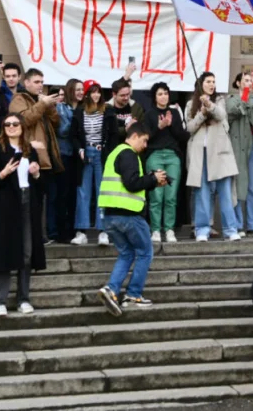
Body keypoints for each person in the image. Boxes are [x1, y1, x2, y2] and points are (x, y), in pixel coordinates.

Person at [96, 123, 168, 316]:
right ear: (134, 136)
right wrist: (152, 178)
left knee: (127, 253)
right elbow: (132, 183)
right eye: (144, 140)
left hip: (110, 216)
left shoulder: (115, 153)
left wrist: (152, 182)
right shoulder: (129, 154)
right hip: (128, 215)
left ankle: (111, 290)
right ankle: (133, 295)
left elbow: (127, 183)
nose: (145, 145)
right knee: (145, 252)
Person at [0, 113, 46, 315]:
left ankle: (23, 298)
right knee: (3, 250)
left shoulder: (29, 151)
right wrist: (3, 174)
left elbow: (40, 184)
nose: (11, 127)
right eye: (7, 124)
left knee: (27, 252)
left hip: (27, 200)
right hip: (5, 204)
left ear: (22, 127)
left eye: (15, 124)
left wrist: (36, 174)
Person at [10, 68, 63, 260]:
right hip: (30, 159)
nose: (41, 84)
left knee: (42, 201)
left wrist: (49, 107)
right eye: (37, 81)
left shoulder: (42, 101)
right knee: (31, 203)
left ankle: (42, 235)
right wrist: (42, 104)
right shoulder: (19, 99)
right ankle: (31, 239)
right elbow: (22, 121)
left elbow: (57, 123)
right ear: (27, 83)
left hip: (46, 160)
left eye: (42, 81)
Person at [186, 72, 239, 241]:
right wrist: (201, 113)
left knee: (225, 192)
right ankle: (202, 229)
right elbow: (190, 127)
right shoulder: (190, 104)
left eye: (214, 82)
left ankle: (230, 229)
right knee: (202, 192)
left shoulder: (220, 100)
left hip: (220, 152)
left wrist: (209, 105)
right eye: (208, 81)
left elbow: (221, 115)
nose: (212, 84)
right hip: (200, 153)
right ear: (201, 84)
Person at [144, 82, 187, 243]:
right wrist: (159, 126)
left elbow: (182, 136)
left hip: (172, 156)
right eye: (160, 94)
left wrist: (171, 125)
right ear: (155, 97)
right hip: (155, 155)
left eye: (166, 93)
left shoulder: (175, 113)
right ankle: (155, 229)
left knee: (170, 196)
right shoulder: (149, 114)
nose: (164, 97)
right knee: (156, 195)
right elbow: (146, 137)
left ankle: (169, 229)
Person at [228, 70, 253, 236]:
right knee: (237, 187)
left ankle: (252, 224)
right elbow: (236, 111)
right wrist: (246, 93)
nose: (248, 82)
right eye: (245, 80)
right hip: (237, 148)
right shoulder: (231, 99)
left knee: (252, 187)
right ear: (237, 83)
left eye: (251, 80)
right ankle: (237, 224)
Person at [72, 81, 107, 246]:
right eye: (92, 92)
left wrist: (106, 149)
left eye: (98, 91)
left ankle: (103, 231)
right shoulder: (80, 112)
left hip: (101, 154)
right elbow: (73, 134)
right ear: (87, 94)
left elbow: (112, 133)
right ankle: (82, 231)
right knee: (83, 192)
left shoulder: (107, 110)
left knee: (102, 191)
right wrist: (79, 149)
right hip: (85, 154)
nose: (96, 95)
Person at [52, 79, 83, 244]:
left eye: (82, 89)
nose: (80, 92)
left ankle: (74, 228)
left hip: (78, 156)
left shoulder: (84, 108)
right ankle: (62, 231)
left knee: (74, 194)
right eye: (77, 89)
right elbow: (63, 131)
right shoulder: (62, 108)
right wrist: (77, 124)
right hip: (65, 154)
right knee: (63, 194)